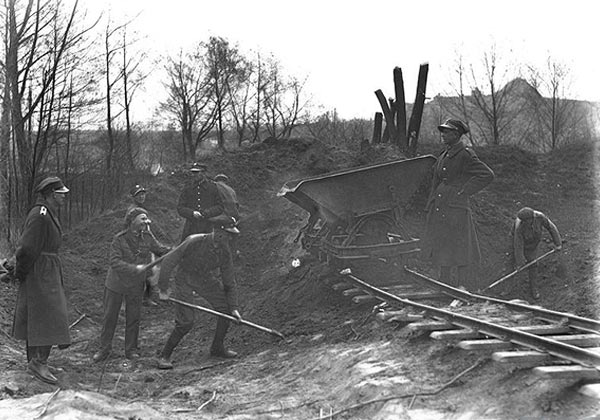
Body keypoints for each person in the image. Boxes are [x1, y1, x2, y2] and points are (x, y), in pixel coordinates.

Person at [156, 215, 242, 370]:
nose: (230, 238)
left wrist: (234, 308)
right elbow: (168, 261)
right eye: (229, 234)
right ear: (218, 232)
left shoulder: (225, 252)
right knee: (186, 321)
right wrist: (163, 289)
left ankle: (217, 348)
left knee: (226, 309)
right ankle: (164, 355)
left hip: (204, 279)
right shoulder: (194, 241)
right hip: (185, 278)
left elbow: (230, 281)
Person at [12, 176, 71, 384]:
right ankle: (38, 362)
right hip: (40, 272)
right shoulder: (40, 214)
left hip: (47, 270)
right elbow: (27, 248)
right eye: (61, 193)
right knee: (48, 315)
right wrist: (20, 272)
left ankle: (38, 360)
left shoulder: (48, 213)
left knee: (45, 315)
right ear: (51, 195)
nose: (64, 196)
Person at [93, 207, 170, 362]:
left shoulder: (147, 237)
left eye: (147, 219)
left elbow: (160, 250)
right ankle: (104, 349)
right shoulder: (119, 239)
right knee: (110, 317)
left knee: (133, 317)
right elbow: (114, 262)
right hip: (116, 284)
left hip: (135, 285)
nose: (146, 222)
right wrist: (135, 268)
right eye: (142, 218)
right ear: (132, 221)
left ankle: (131, 350)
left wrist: (175, 250)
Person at [424, 118, 494, 289]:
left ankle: (463, 285)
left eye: (447, 132)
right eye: (443, 131)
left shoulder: (465, 155)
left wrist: (464, 190)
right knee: (443, 243)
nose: (443, 135)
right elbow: (436, 182)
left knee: (460, 246)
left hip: (456, 209)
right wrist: (431, 204)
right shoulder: (443, 155)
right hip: (441, 206)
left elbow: (487, 174)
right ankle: (445, 283)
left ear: (456, 134)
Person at [512, 207, 562, 299]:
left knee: (533, 264)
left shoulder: (540, 217)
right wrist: (520, 262)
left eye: (525, 221)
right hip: (524, 242)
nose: (524, 223)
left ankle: (533, 288)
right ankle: (530, 288)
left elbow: (551, 228)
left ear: (531, 219)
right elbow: (518, 244)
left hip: (534, 241)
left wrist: (558, 243)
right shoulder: (519, 227)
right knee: (528, 261)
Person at [177, 163, 224, 241]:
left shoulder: (212, 187)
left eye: (197, 173)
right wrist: (192, 213)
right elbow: (180, 208)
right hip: (190, 228)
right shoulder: (188, 188)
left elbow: (220, 207)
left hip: (208, 227)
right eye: (193, 173)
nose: (194, 175)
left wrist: (207, 213)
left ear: (204, 173)